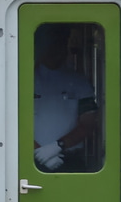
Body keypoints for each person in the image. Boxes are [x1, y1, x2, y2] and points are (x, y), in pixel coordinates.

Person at [32, 26, 98, 172]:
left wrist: (57, 146)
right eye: (52, 45)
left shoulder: (79, 82)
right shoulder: (24, 79)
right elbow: (12, 123)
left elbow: (89, 123)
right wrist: (38, 152)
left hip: (70, 159)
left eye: (61, 45)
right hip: (29, 159)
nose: (57, 51)